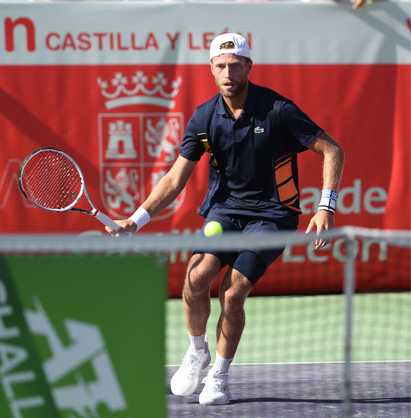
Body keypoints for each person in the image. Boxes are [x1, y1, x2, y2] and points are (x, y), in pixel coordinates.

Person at [105, 33, 344, 405]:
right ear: (211, 70)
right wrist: (135, 220)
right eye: (221, 65)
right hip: (224, 212)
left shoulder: (278, 109)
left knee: (232, 294)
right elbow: (175, 179)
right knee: (195, 277)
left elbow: (331, 149)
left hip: (272, 215)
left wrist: (326, 206)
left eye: (235, 65)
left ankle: (219, 375)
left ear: (249, 66)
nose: (228, 72)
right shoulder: (203, 117)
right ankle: (197, 350)